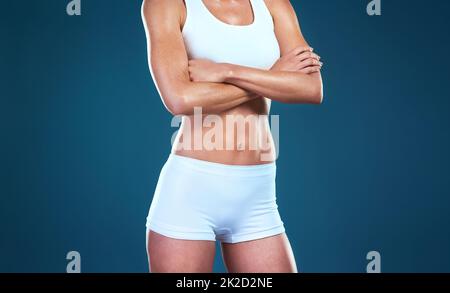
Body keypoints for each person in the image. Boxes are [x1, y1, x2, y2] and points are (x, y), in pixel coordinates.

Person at [141, 0, 323, 273]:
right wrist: (272, 77)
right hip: (191, 191)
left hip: (257, 195)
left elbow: (311, 88)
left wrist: (227, 71)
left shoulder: (274, 5)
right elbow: (180, 99)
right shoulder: (167, 4)